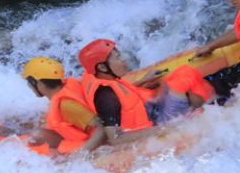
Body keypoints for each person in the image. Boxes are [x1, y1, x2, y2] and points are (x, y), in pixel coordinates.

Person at [78, 39, 214, 143]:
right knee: (183, 80)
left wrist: (143, 80)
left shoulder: (102, 77)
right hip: (158, 125)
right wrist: (164, 130)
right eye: (118, 57)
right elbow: (115, 138)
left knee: (183, 72)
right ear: (102, 67)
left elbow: (123, 94)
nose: (124, 59)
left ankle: (207, 104)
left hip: (151, 112)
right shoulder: (105, 97)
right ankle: (213, 108)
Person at [21, 57, 107, 155]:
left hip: (90, 142)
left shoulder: (66, 105)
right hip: (77, 131)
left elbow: (102, 127)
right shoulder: (65, 88)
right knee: (36, 128)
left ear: (40, 84)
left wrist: (80, 154)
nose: (28, 86)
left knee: (36, 136)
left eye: (29, 82)